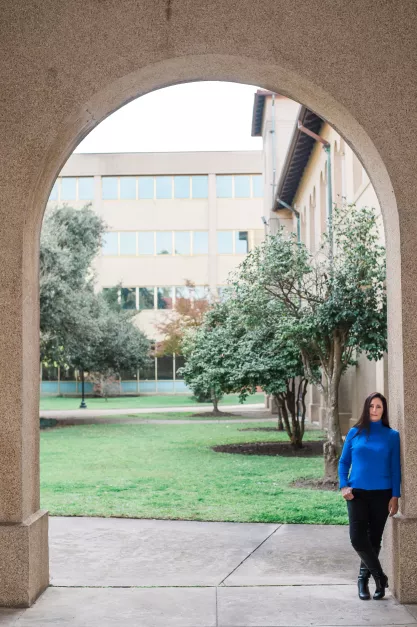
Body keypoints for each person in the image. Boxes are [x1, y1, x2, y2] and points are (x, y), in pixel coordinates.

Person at [338, 392, 401, 601]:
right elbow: (343, 462)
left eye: (378, 407)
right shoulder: (354, 432)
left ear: (384, 410)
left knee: (373, 539)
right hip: (357, 494)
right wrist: (344, 486)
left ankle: (363, 580)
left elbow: (395, 468)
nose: (374, 410)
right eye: (371, 406)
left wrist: (395, 496)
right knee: (357, 538)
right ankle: (380, 577)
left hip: (382, 494)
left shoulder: (392, 436)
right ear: (366, 408)